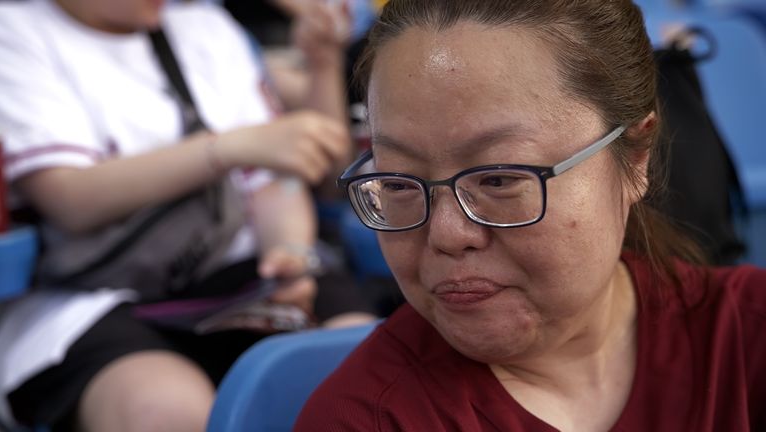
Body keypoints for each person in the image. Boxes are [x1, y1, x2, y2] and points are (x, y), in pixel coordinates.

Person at [294, 1, 766, 431]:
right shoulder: (366, 419)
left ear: (636, 156)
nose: (447, 234)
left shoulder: (748, 339)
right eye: (397, 183)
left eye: (499, 179)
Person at [0, 0, 375, 430]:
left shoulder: (204, 24)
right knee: (167, 410)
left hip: (237, 273)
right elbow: (67, 198)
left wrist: (289, 251)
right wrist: (227, 148)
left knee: (356, 364)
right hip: (87, 300)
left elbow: (275, 180)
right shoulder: (15, 30)